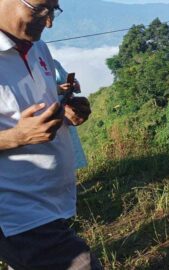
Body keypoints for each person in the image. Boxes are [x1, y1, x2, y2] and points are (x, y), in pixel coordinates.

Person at [0, 0, 99, 268]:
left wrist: (66, 113)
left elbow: (38, 105)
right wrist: (17, 136)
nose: (49, 21)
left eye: (54, 9)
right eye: (41, 8)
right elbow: (21, 130)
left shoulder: (38, 48)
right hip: (15, 213)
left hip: (51, 203)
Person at [54, 59, 88, 170]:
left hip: (65, 112)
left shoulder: (53, 62)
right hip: (50, 112)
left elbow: (68, 79)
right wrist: (58, 89)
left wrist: (75, 84)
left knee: (68, 145)